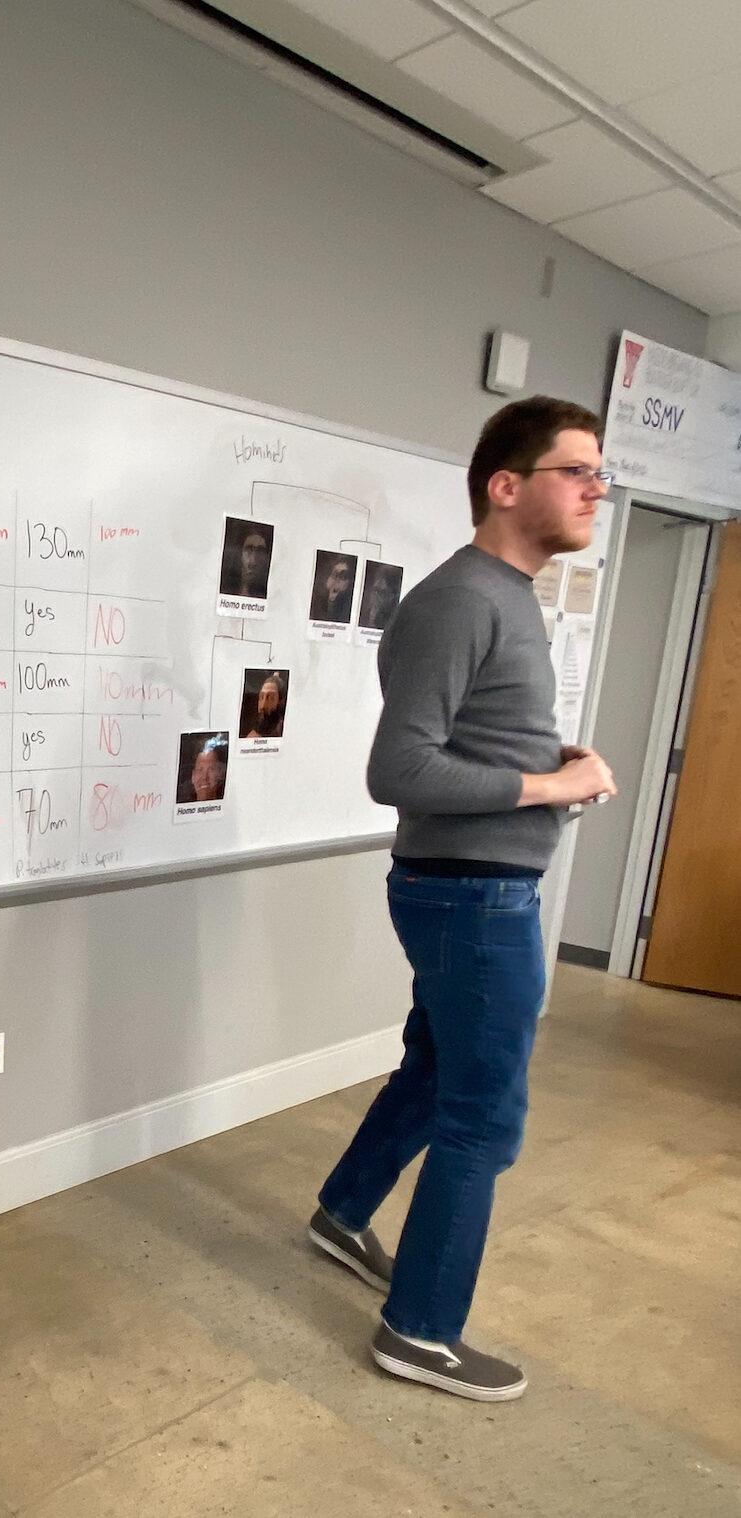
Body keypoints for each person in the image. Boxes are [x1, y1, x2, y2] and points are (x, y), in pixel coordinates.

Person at [306, 396, 618, 1402]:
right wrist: (550, 786)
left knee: (437, 1075)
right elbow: (399, 769)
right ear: (506, 484)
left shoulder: (509, 594)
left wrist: (552, 759)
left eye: (600, 476)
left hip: (478, 893)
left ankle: (343, 1212)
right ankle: (418, 1333)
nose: (594, 491)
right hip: (474, 901)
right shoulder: (462, 598)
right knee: (484, 1119)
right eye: (578, 471)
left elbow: (469, 738)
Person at [221, 518, 274, 598]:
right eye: (248, 550)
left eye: (260, 552)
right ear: (239, 554)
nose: (253, 561)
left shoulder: (270, 596)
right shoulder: (225, 590)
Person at [310, 553, 357, 622]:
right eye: (334, 574)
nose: (337, 580)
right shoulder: (318, 601)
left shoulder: (349, 605)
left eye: (343, 576)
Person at [243, 672, 286, 738]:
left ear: (279, 702)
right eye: (261, 697)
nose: (263, 706)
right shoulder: (253, 735)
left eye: (270, 698)